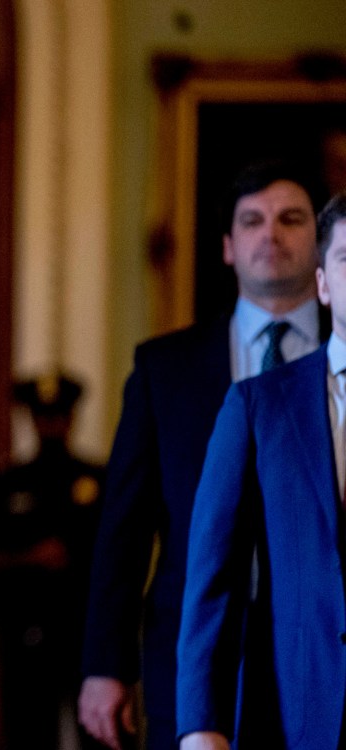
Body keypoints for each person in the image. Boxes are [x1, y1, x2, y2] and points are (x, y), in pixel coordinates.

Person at [79, 160, 325, 750]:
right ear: (227, 246)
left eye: (291, 219)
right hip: (195, 655)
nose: (272, 234)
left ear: (321, 243)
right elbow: (125, 528)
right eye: (252, 221)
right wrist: (105, 664)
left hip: (324, 651)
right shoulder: (166, 369)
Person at [175, 192, 346, 750]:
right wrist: (202, 726)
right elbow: (213, 578)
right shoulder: (259, 406)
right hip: (305, 712)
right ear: (322, 283)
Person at [0, 373, 103, 749]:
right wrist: (28, 559)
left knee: (98, 733)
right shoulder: (9, 483)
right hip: (25, 635)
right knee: (28, 733)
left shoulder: (96, 480)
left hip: (85, 634)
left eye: (59, 415)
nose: (52, 424)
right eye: (44, 416)